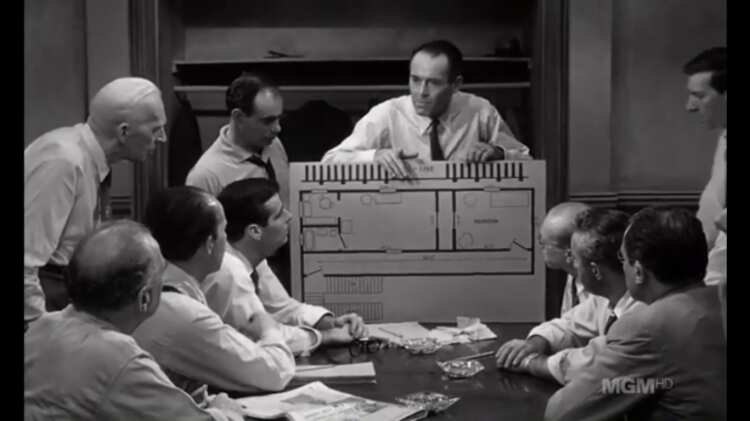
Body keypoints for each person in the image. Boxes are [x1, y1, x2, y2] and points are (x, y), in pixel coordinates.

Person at [25, 220, 243, 421]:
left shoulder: (40, 328)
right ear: (145, 298)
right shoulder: (119, 357)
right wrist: (225, 411)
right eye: (161, 274)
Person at [545, 208, 726, 421]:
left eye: (622, 258)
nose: (621, 266)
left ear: (638, 272)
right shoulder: (719, 300)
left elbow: (563, 412)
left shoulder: (647, 327)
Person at [25, 77, 167, 325]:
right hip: (46, 305)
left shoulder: (89, 160)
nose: (162, 137)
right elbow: (26, 261)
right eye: (155, 129)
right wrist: (43, 330)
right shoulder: (64, 162)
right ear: (124, 132)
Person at [132, 186, 295, 394]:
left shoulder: (156, 291)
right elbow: (272, 373)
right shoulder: (184, 314)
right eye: (224, 231)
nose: (227, 243)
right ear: (210, 243)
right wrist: (269, 329)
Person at [202, 178, 367, 355]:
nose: (289, 216)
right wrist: (324, 337)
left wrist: (330, 324)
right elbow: (257, 335)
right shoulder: (229, 270)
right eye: (279, 214)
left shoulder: (253, 258)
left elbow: (282, 309)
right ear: (255, 231)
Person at [321, 40, 531, 178]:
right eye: (415, 80)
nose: (421, 92)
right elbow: (329, 161)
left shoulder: (480, 111)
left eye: (434, 83)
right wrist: (373, 156)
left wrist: (498, 153)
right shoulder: (387, 114)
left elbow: (527, 161)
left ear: (456, 85)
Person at [496, 208, 643, 385]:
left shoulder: (639, 315)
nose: (571, 263)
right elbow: (569, 325)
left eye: (575, 258)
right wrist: (534, 344)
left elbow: (593, 364)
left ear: (595, 270)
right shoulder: (605, 298)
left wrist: (531, 363)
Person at [186, 72, 293, 291]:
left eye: (279, 118)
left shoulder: (273, 145)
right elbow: (198, 247)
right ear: (239, 117)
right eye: (268, 121)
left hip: (289, 258)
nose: (277, 128)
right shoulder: (206, 174)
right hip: (243, 277)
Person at [539, 202, 592, 315]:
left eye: (544, 243)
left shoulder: (599, 287)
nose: (541, 247)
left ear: (570, 252)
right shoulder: (572, 275)